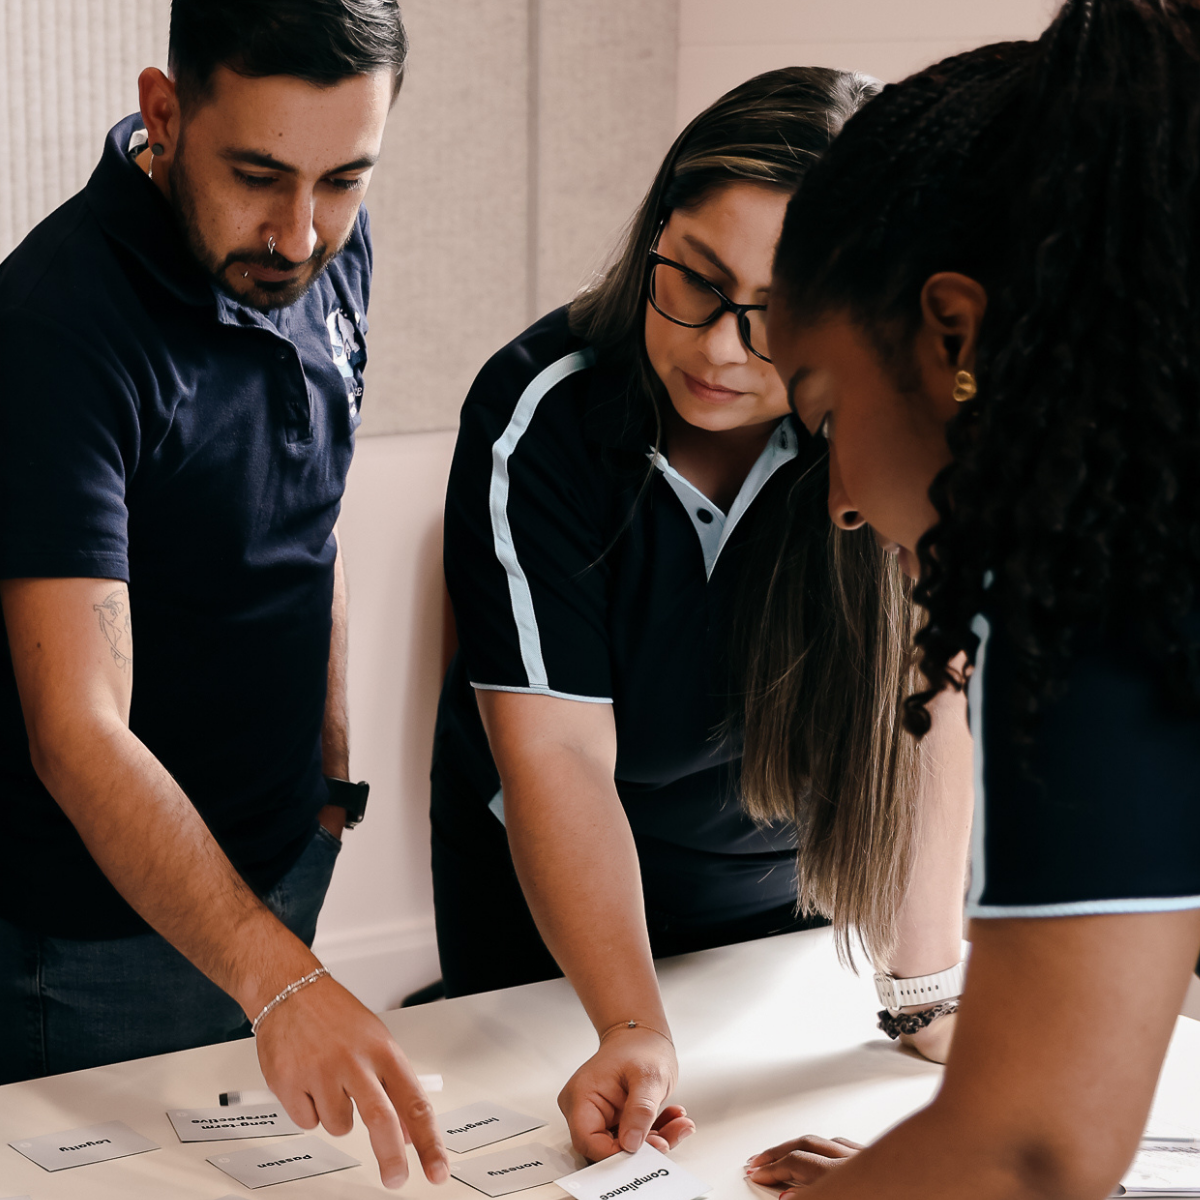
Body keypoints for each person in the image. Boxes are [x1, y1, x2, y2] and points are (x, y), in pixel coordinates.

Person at [434, 68, 974, 1163]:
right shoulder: (540, 413)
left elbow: (927, 715)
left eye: (775, 317)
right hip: (554, 897)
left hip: (782, 893)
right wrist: (630, 1023)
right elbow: (560, 763)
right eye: (694, 279)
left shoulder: (899, 426)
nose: (722, 349)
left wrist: (925, 998)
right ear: (654, 236)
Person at [745, 1, 1200, 1198]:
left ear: (955, 334)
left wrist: (967, 1152)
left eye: (826, 413)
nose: (838, 500)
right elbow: (1041, 1113)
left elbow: (1036, 1147)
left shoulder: (1111, 597)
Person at [0, 0, 447, 1189]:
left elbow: (311, 513)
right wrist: (284, 978)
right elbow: (76, 731)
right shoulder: (54, 331)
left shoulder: (326, 244)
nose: (301, 236)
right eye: (259, 175)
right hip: (98, 938)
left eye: (345, 178)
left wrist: (329, 787)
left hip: (281, 861)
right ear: (164, 112)